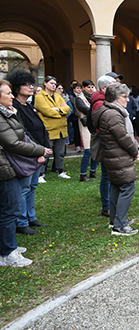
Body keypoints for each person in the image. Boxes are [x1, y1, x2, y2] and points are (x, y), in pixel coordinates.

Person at [0, 79, 50, 266]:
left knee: (9, 208)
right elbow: (12, 142)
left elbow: (23, 136)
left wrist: (37, 148)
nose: (11, 95)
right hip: (4, 167)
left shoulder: (8, 113)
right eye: (7, 93)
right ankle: (7, 252)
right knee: (10, 209)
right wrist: (39, 151)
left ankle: (7, 245)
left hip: (9, 164)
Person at [93, 83, 139, 236]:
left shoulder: (109, 111)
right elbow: (123, 137)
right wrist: (135, 150)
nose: (127, 100)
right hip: (118, 155)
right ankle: (120, 225)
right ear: (114, 98)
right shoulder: (113, 114)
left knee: (116, 186)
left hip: (114, 155)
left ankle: (115, 220)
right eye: (124, 97)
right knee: (127, 187)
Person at [34, 75, 71, 180]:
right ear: (45, 83)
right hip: (49, 129)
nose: (54, 85)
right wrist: (61, 111)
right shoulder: (40, 96)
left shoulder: (58, 96)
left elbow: (67, 109)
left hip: (61, 129)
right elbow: (47, 111)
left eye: (55, 83)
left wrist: (58, 109)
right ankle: (41, 174)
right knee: (45, 152)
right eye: (51, 83)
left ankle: (60, 170)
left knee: (60, 153)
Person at [91, 75, 117, 217]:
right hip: (105, 143)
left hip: (108, 142)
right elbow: (103, 125)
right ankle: (106, 206)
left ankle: (110, 203)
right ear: (104, 88)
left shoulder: (103, 100)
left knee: (109, 175)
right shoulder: (99, 103)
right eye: (113, 85)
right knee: (106, 176)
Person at [75, 80, 99, 182]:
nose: (91, 89)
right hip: (85, 125)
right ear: (83, 88)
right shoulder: (79, 99)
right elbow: (85, 109)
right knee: (88, 150)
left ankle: (93, 171)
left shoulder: (94, 98)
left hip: (94, 124)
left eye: (92, 87)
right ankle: (83, 174)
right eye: (88, 87)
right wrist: (96, 108)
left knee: (95, 149)